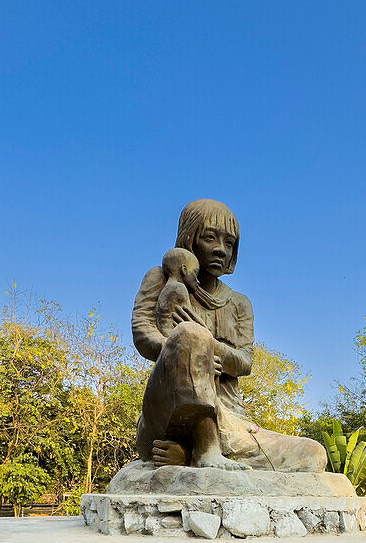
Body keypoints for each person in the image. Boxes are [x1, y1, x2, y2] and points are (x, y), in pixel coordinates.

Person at [132, 199, 325, 472]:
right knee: (190, 334)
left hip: (230, 419)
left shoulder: (239, 303)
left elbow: (245, 362)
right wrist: (188, 352)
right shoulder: (162, 278)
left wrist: (211, 349)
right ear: (189, 238)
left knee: (313, 454)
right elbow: (142, 332)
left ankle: (186, 456)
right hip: (170, 415)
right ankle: (204, 450)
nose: (221, 250)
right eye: (211, 238)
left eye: (230, 243)